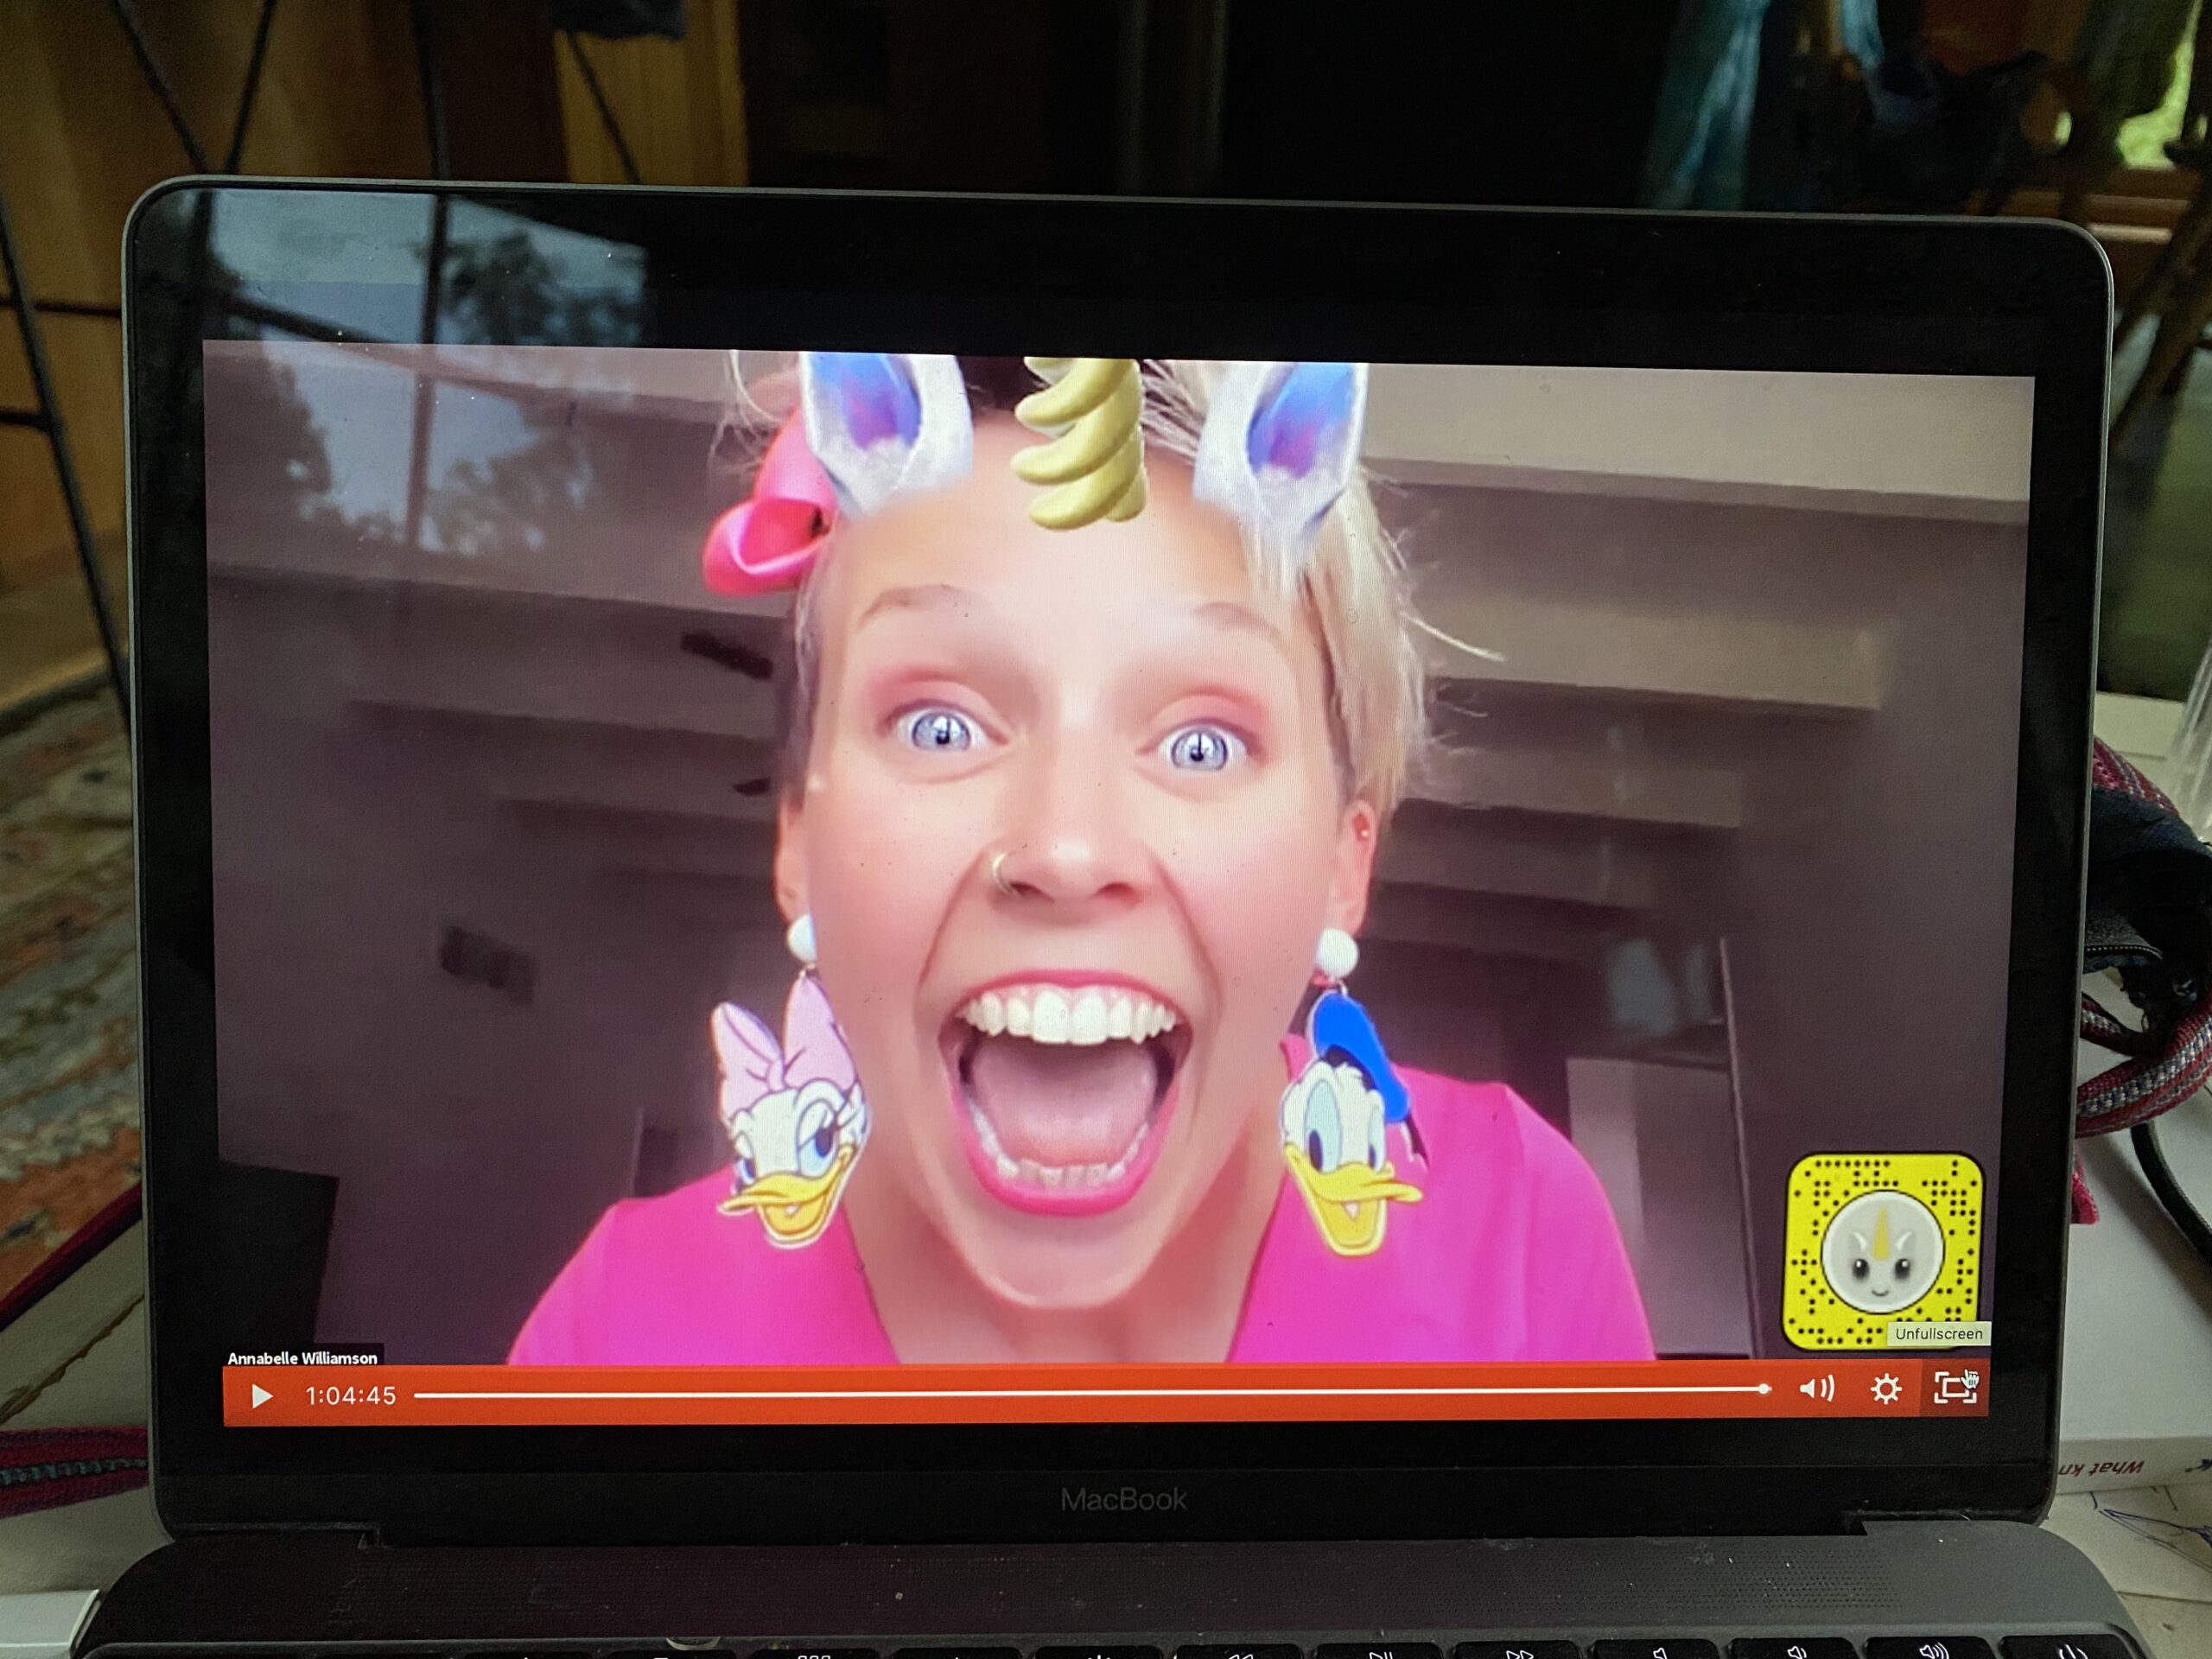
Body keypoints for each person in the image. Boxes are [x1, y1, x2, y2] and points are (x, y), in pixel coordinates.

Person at [510, 354, 1652, 1366]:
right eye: (940, 727)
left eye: (1202, 744)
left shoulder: (1517, 1231)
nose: (1065, 850)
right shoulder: (615, 1339)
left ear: (1342, 868)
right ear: (799, 841)